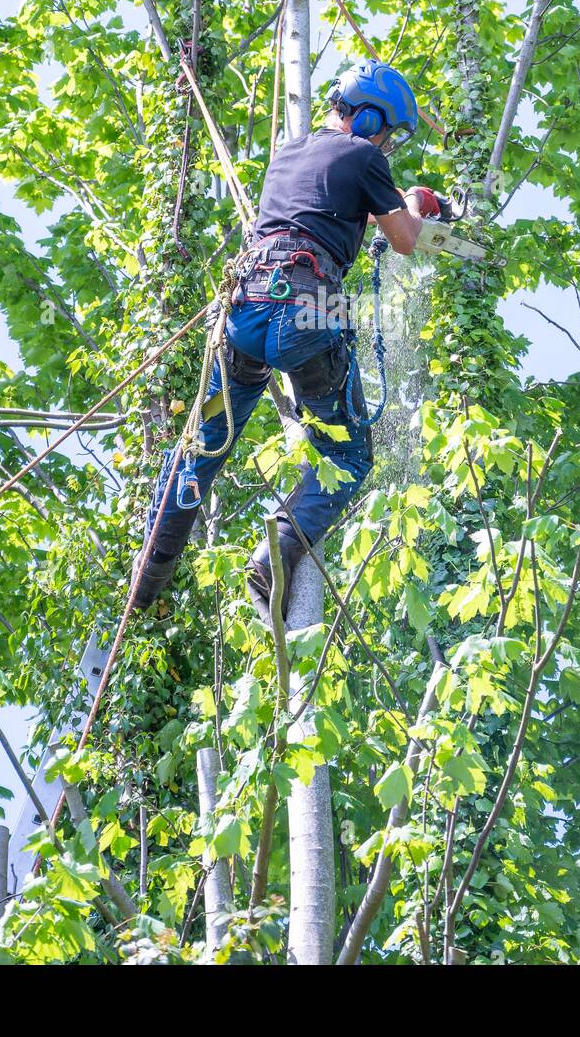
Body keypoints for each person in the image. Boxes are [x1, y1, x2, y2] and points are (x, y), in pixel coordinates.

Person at [133, 58, 446, 622]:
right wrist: (417, 209)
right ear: (370, 118)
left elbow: (324, 204)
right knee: (347, 456)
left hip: (246, 312)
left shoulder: (288, 153)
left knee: (205, 442)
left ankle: (150, 570)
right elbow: (403, 239)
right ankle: (273, 556)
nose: (385, 144)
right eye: (385, 132)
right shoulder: (365, 157)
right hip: (305, 314)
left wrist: (393, 197)